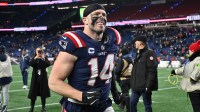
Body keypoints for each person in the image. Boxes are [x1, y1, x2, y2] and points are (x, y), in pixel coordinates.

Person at [48, 3, 122, 112]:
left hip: (103, 105)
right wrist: (81, 96)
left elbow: (108, 71)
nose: (101, 17)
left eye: (104, 15)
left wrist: (114, 92)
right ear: (85, 20)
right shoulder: (76, 42)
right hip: (78, 107)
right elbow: (54, 82)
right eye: (96, 14)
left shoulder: (113, 38)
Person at [170, 40, 200, 112]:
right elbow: (185, 69)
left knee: (197, 108)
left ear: (193, 51)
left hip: (196, 89)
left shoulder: (198, 59)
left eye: (190, 50)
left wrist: (193, 78)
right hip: (193, 88)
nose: (189, 51)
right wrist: (175, 71)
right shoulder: (193, 60)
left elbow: (198, 69)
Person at [130, 36, 158, 112]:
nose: (135, 43)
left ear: (140, 42)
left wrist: (148, 86)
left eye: (136, 41)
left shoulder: (149, 53)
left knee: (147, 105)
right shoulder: (138, 53)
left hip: (145, 86)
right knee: (132, 103)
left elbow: (152, 71)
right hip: (136, 86)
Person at [28, 47, 51, 112]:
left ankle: (43, 107)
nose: (39, 52)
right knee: (33, 94)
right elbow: (31, 64)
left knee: (43, 94)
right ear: (36, 51)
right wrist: (36, 57)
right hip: (35, 79)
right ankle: (32, 108)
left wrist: (43, 58)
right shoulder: (34, 58)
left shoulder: (44, 58)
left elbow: (48, 64)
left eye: (40, 51)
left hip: (43, 79)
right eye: (38, 51)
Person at [0, 45, 13, 112]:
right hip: (8, 77)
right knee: (5, 93)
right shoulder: (8, 57)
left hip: (0, 77)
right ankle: (4, 107)